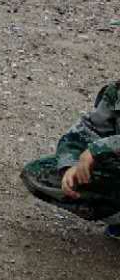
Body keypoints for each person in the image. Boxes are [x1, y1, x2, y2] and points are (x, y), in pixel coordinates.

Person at [21, 81, 120, 227]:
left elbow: (98, 148)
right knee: (39, 173)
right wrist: (71, 166)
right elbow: (86, 131)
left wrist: (97, 149)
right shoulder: (116, 92)